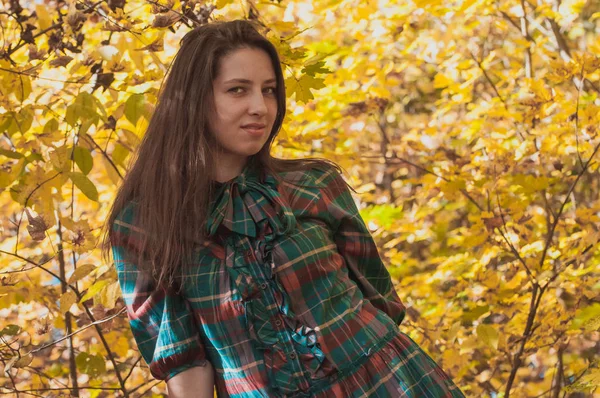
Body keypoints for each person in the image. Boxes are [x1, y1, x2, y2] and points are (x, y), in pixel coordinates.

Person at [102, 19, 465, 398]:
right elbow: (183, 359)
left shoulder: (313, 184)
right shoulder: (146, 224)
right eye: (237, 90)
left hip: (391, 384)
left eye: (269, 90)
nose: (260, 107)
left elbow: (380, 299)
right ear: (194, 100)